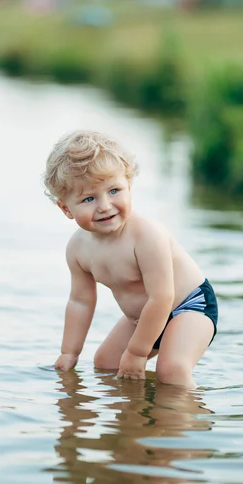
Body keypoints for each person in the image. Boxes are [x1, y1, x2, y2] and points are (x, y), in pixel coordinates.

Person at [43, 130, 218, 388]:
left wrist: (137, 353)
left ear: (129, 185)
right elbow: (80, 301)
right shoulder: (78, 249)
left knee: (171, 369)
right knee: (106, 364)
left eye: (114, 190)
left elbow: (161, 298)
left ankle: (184, 421)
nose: (104, 205)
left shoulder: (147, 236)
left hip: (188, 305)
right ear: (66, 208)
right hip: (141, 316)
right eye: (89, 198)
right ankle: (135, 422)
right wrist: (70, 351)